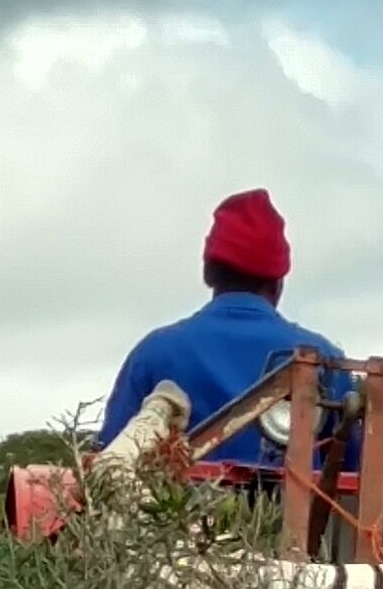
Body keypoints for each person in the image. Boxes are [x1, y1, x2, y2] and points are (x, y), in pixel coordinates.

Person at [95, 188, 337, 470]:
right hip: (299, 514)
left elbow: (111, 465)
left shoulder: (154, 354)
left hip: (176, 514)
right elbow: (354, 479)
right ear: (278, 282)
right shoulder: (326, 361)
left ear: (208, 273)